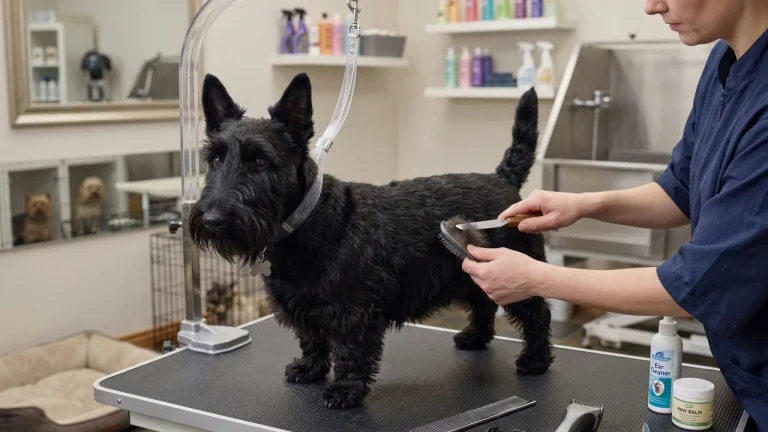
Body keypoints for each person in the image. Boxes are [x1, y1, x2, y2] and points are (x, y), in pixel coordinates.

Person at [461, 0, 768, 429]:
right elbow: (680, 189)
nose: (651, 6)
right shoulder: (725, 60)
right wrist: (584, 205)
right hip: (745, 379)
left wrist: (536, 279)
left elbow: (699, 285)